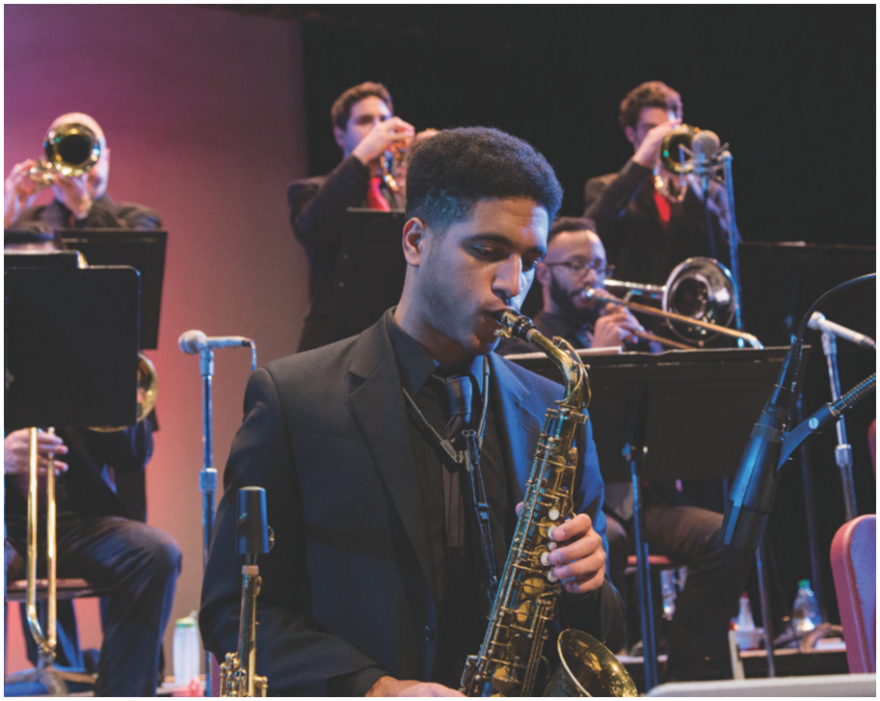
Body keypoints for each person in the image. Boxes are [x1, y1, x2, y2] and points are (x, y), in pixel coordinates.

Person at [202, 127, 625, 697]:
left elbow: (602, 635)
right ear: (415, 241)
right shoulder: (293, 399)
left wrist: (590, 585)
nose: (513, 284)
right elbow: (233, 613)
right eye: (487, 250)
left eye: (530, 260)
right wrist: (376, 689)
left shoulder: (554, 405)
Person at [497, 217, 753, 681]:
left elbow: (671, 423)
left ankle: (686, 671)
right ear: (547, 272)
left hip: (643, 499)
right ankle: (593, 673)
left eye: (598, 265)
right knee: (606, 539)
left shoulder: (615, 326)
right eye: (576, 265)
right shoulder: (527, 340)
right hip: (585, 501)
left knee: (728, 533)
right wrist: (598, 356)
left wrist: (646, 362)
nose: (591, 276)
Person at [2, 227, 181, 698]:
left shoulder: (76, 347)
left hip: (71, 523)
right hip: (5, 523)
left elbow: (130, 455)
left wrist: (123, 401)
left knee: (155, 553)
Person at [287, 82, 416, 351]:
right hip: (333, 341)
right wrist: (362, 155)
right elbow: (313, 229)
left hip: (395, 339)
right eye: (365, 121)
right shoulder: (309, 190)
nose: (379, 129)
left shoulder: (402, 195)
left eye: (384, 120)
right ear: (339, 136)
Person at [584, 81, 731, 288]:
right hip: (629, 310)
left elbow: (729, 250)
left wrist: (692, 188)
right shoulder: (603, 186)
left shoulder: (710, 191)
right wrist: (639, 163)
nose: (661, 137)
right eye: (650, 129)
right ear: (630, 133)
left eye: (669, 129)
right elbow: (592, 230)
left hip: (692, 307)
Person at [3, 112, 161, 231]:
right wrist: (6, 220)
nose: (77, 173)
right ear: (50, 162)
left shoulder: (140, 220)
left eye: (83, 157)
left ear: (106, 159)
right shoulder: (22, 223)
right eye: (67, 156)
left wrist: (83, 210)